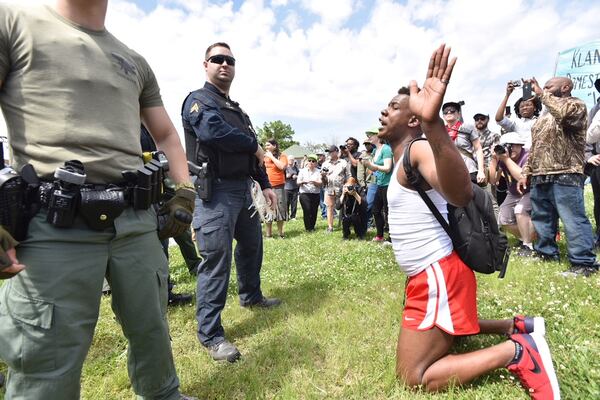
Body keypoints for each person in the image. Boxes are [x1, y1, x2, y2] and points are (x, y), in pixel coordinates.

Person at [0, 2, 197, 399]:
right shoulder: (12, 20)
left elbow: (167, 136)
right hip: (52, 224)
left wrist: (186, 190)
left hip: (136, 222)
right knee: (45, 355)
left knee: (152, 327)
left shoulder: (134, 60)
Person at [383, 44, 559, 399]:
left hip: (438, 274)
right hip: (433, 274)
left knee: (413, 375)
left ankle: (519, 353)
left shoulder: (418, 147)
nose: (383, 112)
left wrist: (433, 125)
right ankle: (516, 327)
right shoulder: (401, 157)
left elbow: (460, 192)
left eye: (393, 107)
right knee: (446, 330)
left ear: (414, 118)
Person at [181, 42, 281, 363]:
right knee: (216, 259)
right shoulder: (198, 101)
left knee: (252, 246)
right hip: (215, 192)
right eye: (218, 59)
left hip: (243, 190)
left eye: (230, 60)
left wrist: (265, 184)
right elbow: (213, 133)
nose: (224, 64)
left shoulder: (238, 110)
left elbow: (255, 158)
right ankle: (210, 334)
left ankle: (251, 296)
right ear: (206, 64)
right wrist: (253, 145)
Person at [517, 77, 599, 277]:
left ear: (565, 87)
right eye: (543, 87)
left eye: (548, 86)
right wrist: (526, 172)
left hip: (566, 172)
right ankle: (546, 253)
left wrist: (541, 93)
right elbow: (536, 146)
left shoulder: (576, 104)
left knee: (573, 218)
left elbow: (563, 115)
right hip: (540, 174)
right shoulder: (544, 115)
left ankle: (584, 263)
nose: (543, 89)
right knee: (542, 218)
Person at [141, 125, 195, 305]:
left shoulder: (147, 127)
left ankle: (165, 294)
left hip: (158, 193)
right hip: (135, 198)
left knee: (162, 247)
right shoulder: (127, 122)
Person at [489, 132, 534, 256]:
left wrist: (506, 159)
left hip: (531, 190)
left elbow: (522, 176)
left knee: (520, 210)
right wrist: (493, 160)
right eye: (507, 145)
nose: (510, 149)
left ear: (520, 145)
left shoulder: (528, 155)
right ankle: (527, 237)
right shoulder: (502, 157)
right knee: (503, 218)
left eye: (513, 145)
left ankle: (528, 245)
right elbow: (492, 180)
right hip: (514, 193)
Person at [442, 102, 486, 185]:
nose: (448, 112)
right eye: (445, 111)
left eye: (452, 110)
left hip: (468, 169)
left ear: (458, 114)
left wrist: (481, 171)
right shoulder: (440, 131)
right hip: (449, 172)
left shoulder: (467, 127)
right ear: (443, 116)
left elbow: (478, 148)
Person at [495, 81, 542, 148]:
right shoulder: (515, 123)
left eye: (528, 105)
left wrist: (536, 89)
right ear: (519, 111)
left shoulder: (542, 120)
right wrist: (507, 95)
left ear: (535, 108)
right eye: (522, 106)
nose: (525, 108)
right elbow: (499, 119)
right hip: (522, 156)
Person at [364, 134, 393, 242]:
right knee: (375, 210)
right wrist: (367, 163)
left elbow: (388, 168)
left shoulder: (386, 149)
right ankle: (380, 236)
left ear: (378, 136)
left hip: (388, 184)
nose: (368, 137)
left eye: (371, 135)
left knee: (388, 211)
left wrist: (373, 166)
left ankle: (391, 238)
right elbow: (373, 167)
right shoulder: (375, 150)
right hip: (379, 183)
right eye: (368, 135)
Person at [263, 138, 288, 238]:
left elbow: (282, 167)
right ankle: (268, 234)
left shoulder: (282, 156)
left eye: (268, 145)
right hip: (266, 187)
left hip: (278, 187)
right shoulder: (263, 157)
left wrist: (271, 157)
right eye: (265, 145)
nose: (266, 147)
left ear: (274, 146)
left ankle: (280, 233)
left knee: (280, 209)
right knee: (268, 209)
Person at [321, 145, 348, 232]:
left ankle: (346, 225)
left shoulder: (343, 162)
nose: (330, 153)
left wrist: (346, 186)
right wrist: (323, 176)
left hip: (341, 188)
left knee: (344, 207)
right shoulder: (325, 164)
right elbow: (323, 181)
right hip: (330, 188)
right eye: (329, 152)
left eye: (331, 151)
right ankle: (330, 227)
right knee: (330, 207)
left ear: (336, 151)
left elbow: (348, 175)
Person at [296, 154, 322, 231]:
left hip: (315, 194)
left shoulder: (318, 171)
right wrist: (303, 182)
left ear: (316, 163)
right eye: (309, 160)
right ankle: (308, 228)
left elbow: (321, 183)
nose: (311, 162)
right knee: (307, 210)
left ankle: (312, 227)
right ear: (307, 161)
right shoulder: (302, 171)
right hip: (304, 193)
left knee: (314, 210)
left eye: (313, 161)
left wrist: (315, 182)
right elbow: (298, 182)